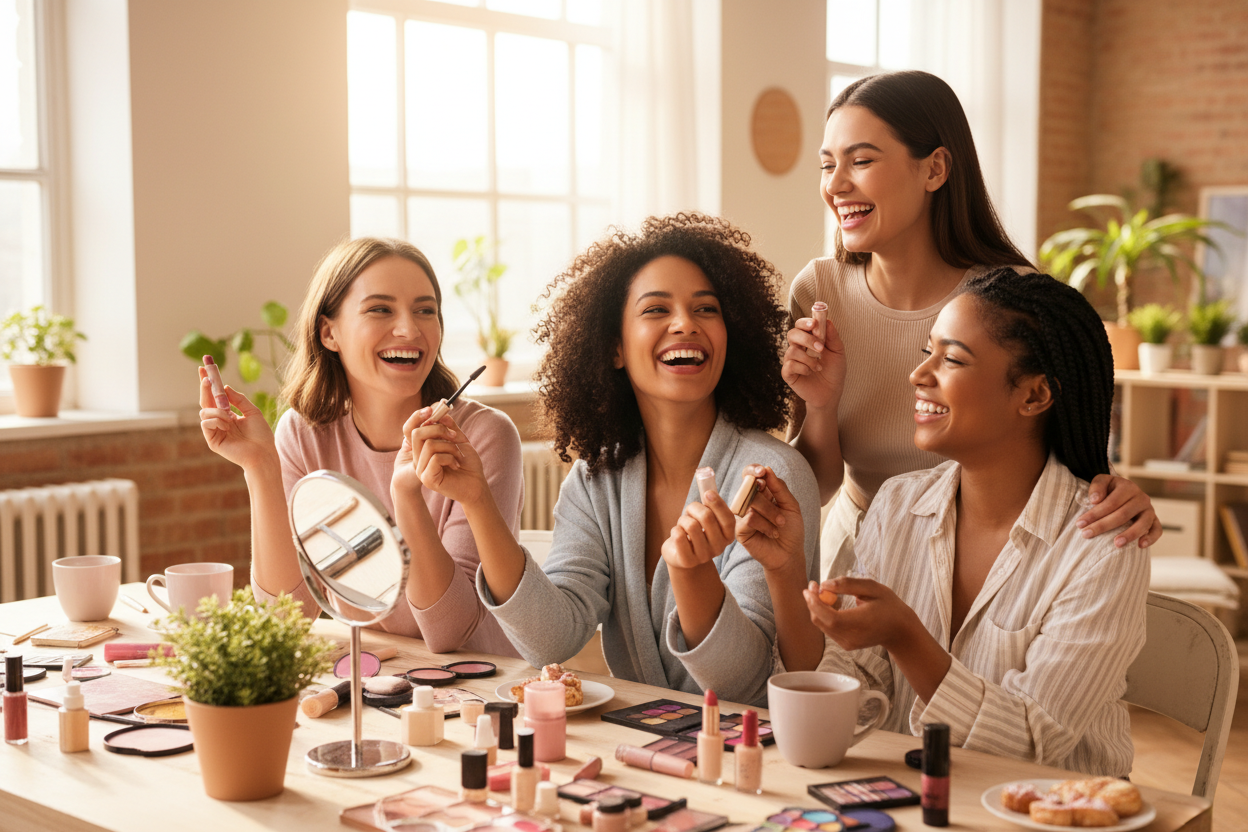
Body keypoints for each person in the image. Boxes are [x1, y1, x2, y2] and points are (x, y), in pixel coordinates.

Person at [414, 214, 820, 706]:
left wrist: (693, 575)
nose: (685, 323)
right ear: (614, 349)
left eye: (706, 309)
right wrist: (477, 501)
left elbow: (745, 686)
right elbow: (551, 640)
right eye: (656, 310)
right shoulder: (595, 478)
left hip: (745, 753)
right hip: (637, 746)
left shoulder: (772, 477)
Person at [757, 268, 1148, 776]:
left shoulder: (1102, 543)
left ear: (1033, 396)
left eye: (953, 359)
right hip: (916, 804)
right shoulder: (897, 506)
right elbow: (850, 687)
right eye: (927, 352)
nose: (919, 375)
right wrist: (785, 571)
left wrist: (905, 636)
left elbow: (1032, 742)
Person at [783, 70, 1160, 580]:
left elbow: (1063, 442)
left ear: (935, 168)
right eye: (828, 165)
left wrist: (1115, 490)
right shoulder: (818, 293)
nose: (836, 184)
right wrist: (822, 408)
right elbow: (813, 486)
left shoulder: (1013, 300)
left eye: (862, 160)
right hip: (860, 555)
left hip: (988, 561)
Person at [197, 237, 524, 655]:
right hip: (371, 675)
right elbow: (284, 617)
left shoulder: (483, 436)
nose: (410, 328)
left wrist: (406, 496)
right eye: (380, 309)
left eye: (426, 310)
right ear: (329, 332)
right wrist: (261, 468)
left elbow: (451, 632)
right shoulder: (303, 434)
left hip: (472, 688)